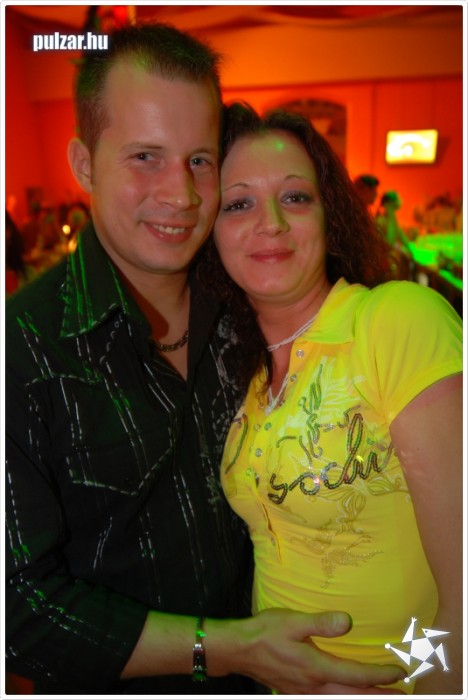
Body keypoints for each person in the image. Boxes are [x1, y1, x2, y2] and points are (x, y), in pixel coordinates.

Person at [4, 23, 407, 696]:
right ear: (84, 163)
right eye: (145, 157)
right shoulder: (22, 349)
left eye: (200, 160)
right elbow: (16, 608)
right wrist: (224, 650)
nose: (182, 194)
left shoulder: (249, 309)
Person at [206, 103, 463, 694]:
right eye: (238, 204)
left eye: (295, 197)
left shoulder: (397, 322)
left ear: (330, 216)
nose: (271, 223)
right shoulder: (245, 374)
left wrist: (408, 681)